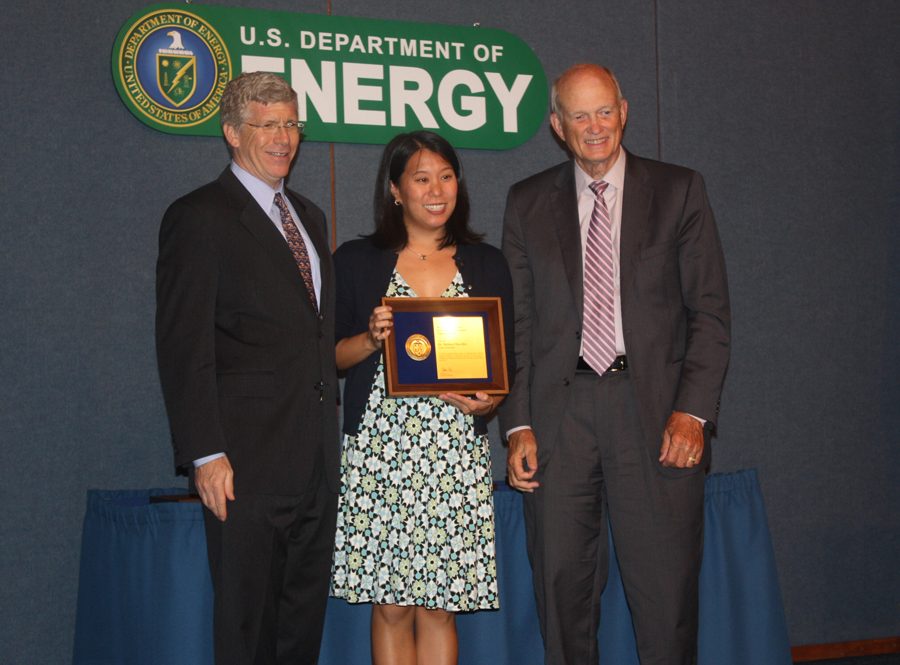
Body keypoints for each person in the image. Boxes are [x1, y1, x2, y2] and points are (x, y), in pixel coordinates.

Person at [501, 63, 731, 665]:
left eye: (604, 111)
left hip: (655, 417)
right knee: (562, 599)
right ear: (558, 127)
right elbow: (517, 326)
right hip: (559, 421)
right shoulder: (526, 202)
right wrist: (517, 423)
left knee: (665, 601)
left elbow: (709, 314)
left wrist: (693, 413)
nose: (595, 126)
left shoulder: (679, 190)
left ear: (624, 112)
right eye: (579, 115)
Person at [155, 72, 339, 665]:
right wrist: (205, 453)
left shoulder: (309, 216)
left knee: (299, 630)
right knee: (247, 631)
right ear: (233, 133)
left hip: (315, 464)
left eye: (291, 123)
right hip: (244, 467)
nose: (283, 137)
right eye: (267, 125)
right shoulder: (198, 216)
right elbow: (182, 345)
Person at [329, 130, 515, 665]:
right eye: (422, 178)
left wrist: (490, 402)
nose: (437, 190)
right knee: (391, 607)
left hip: (454, 450)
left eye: (447, 176)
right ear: (395, 189)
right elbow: (330, 357)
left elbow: (504, 362)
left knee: (439, 607)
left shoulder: (487, 262)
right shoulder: (356, 260)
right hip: (380, 452)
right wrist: (371, 340)